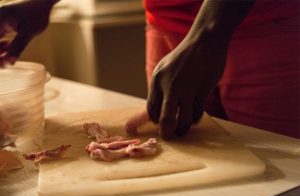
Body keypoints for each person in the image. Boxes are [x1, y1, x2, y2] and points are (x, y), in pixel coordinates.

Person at [0, 0, 299, 139]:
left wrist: (209, 33)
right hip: (164, 23)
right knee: (186, 147)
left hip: (263, 23)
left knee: (279, 167)